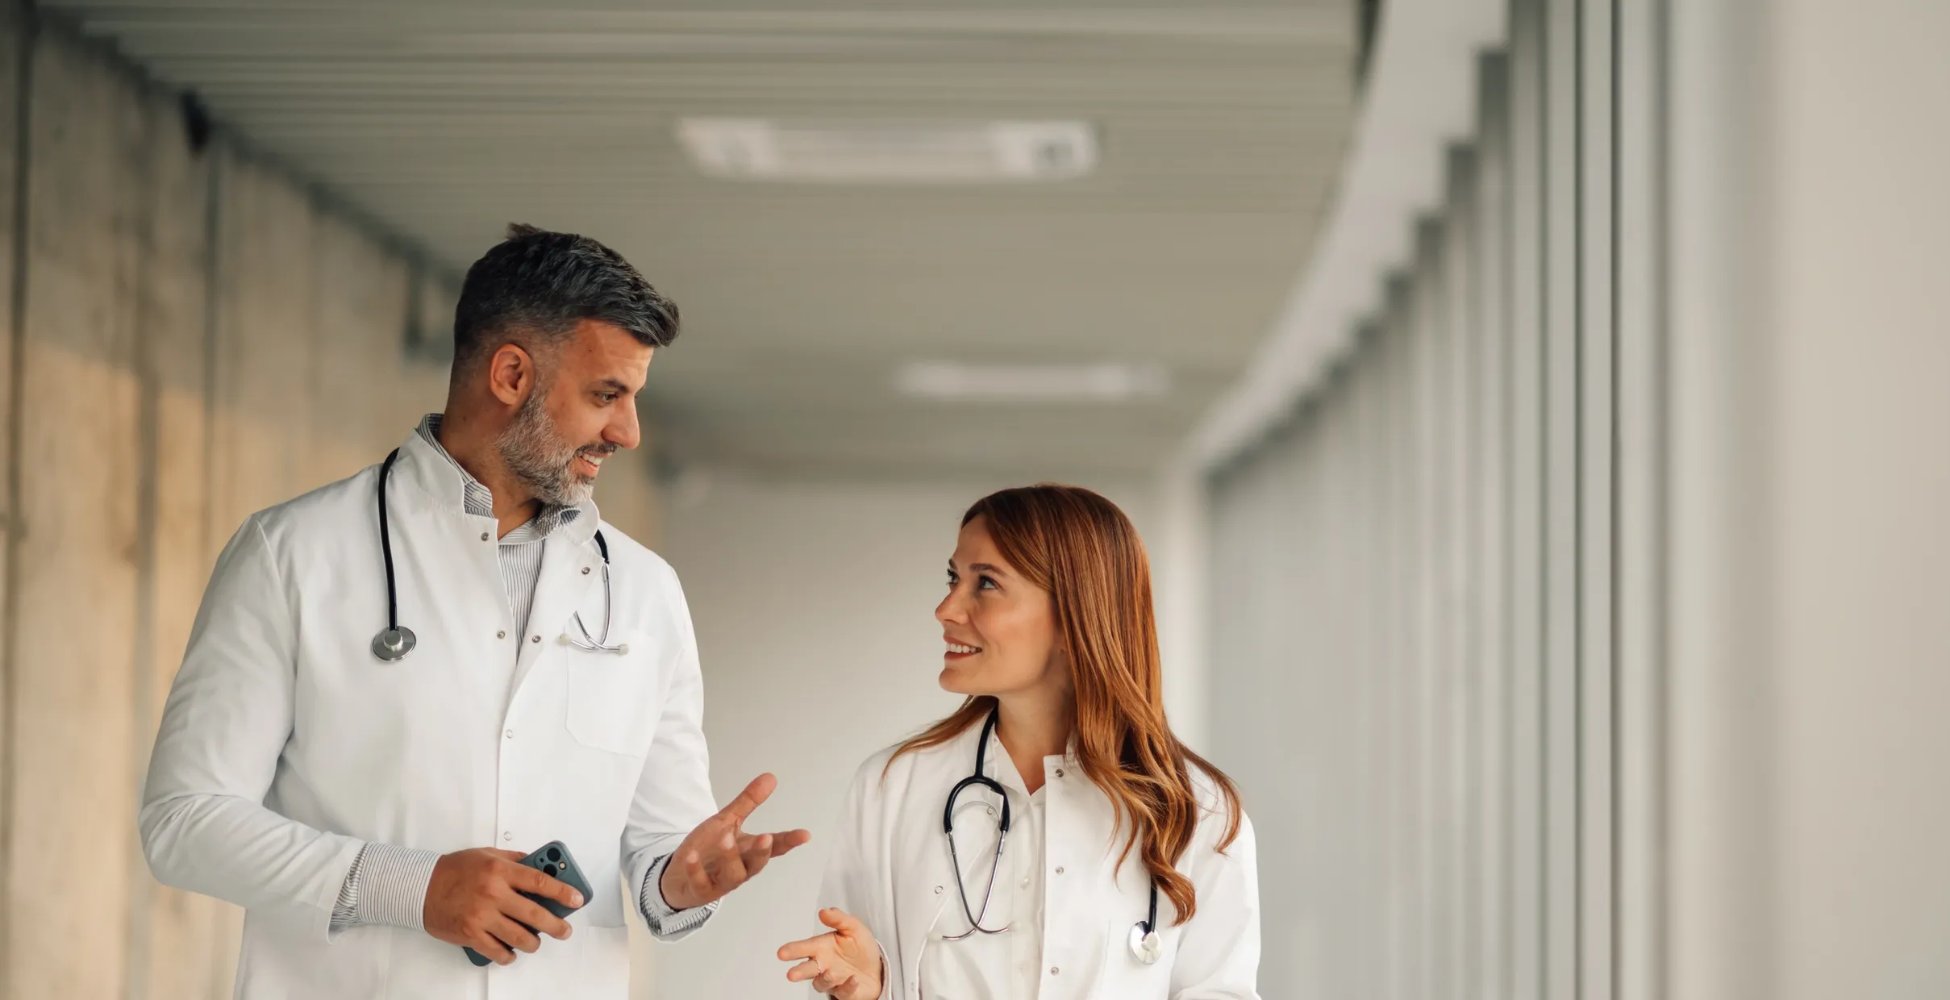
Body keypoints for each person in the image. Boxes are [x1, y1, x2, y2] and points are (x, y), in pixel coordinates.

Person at [140, 223, 808, 999]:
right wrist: (409, 888)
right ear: (512, 374)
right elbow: (184, 822)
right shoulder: (294, 553)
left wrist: (680, 883)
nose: (628, 431)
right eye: (606, 395)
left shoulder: (644, 592)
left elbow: (660, 847)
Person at [777, 485, 1260, 999]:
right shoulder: (892, 786)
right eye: (953, 578)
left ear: (1076, 616)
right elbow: (849, 977)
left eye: (985, 583)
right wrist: (868, 992)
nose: (946, 608)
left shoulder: (1199, 812)